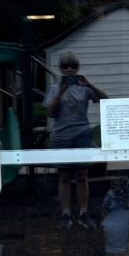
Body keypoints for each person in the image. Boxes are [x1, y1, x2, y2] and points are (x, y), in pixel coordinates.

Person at [43, 52, 108, 229]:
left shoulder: (84, 87)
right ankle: (65, 214)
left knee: (82, 176)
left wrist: (90, 85)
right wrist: (61, 91)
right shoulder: (54, 88)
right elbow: (50, 113)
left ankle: (83, 213)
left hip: (82, 136)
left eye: (73, 66)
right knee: (64, 176)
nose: (70, 69)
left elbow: (105, 101)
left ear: (77, 67)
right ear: (61, 69)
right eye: (65, 66)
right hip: (61, 137)